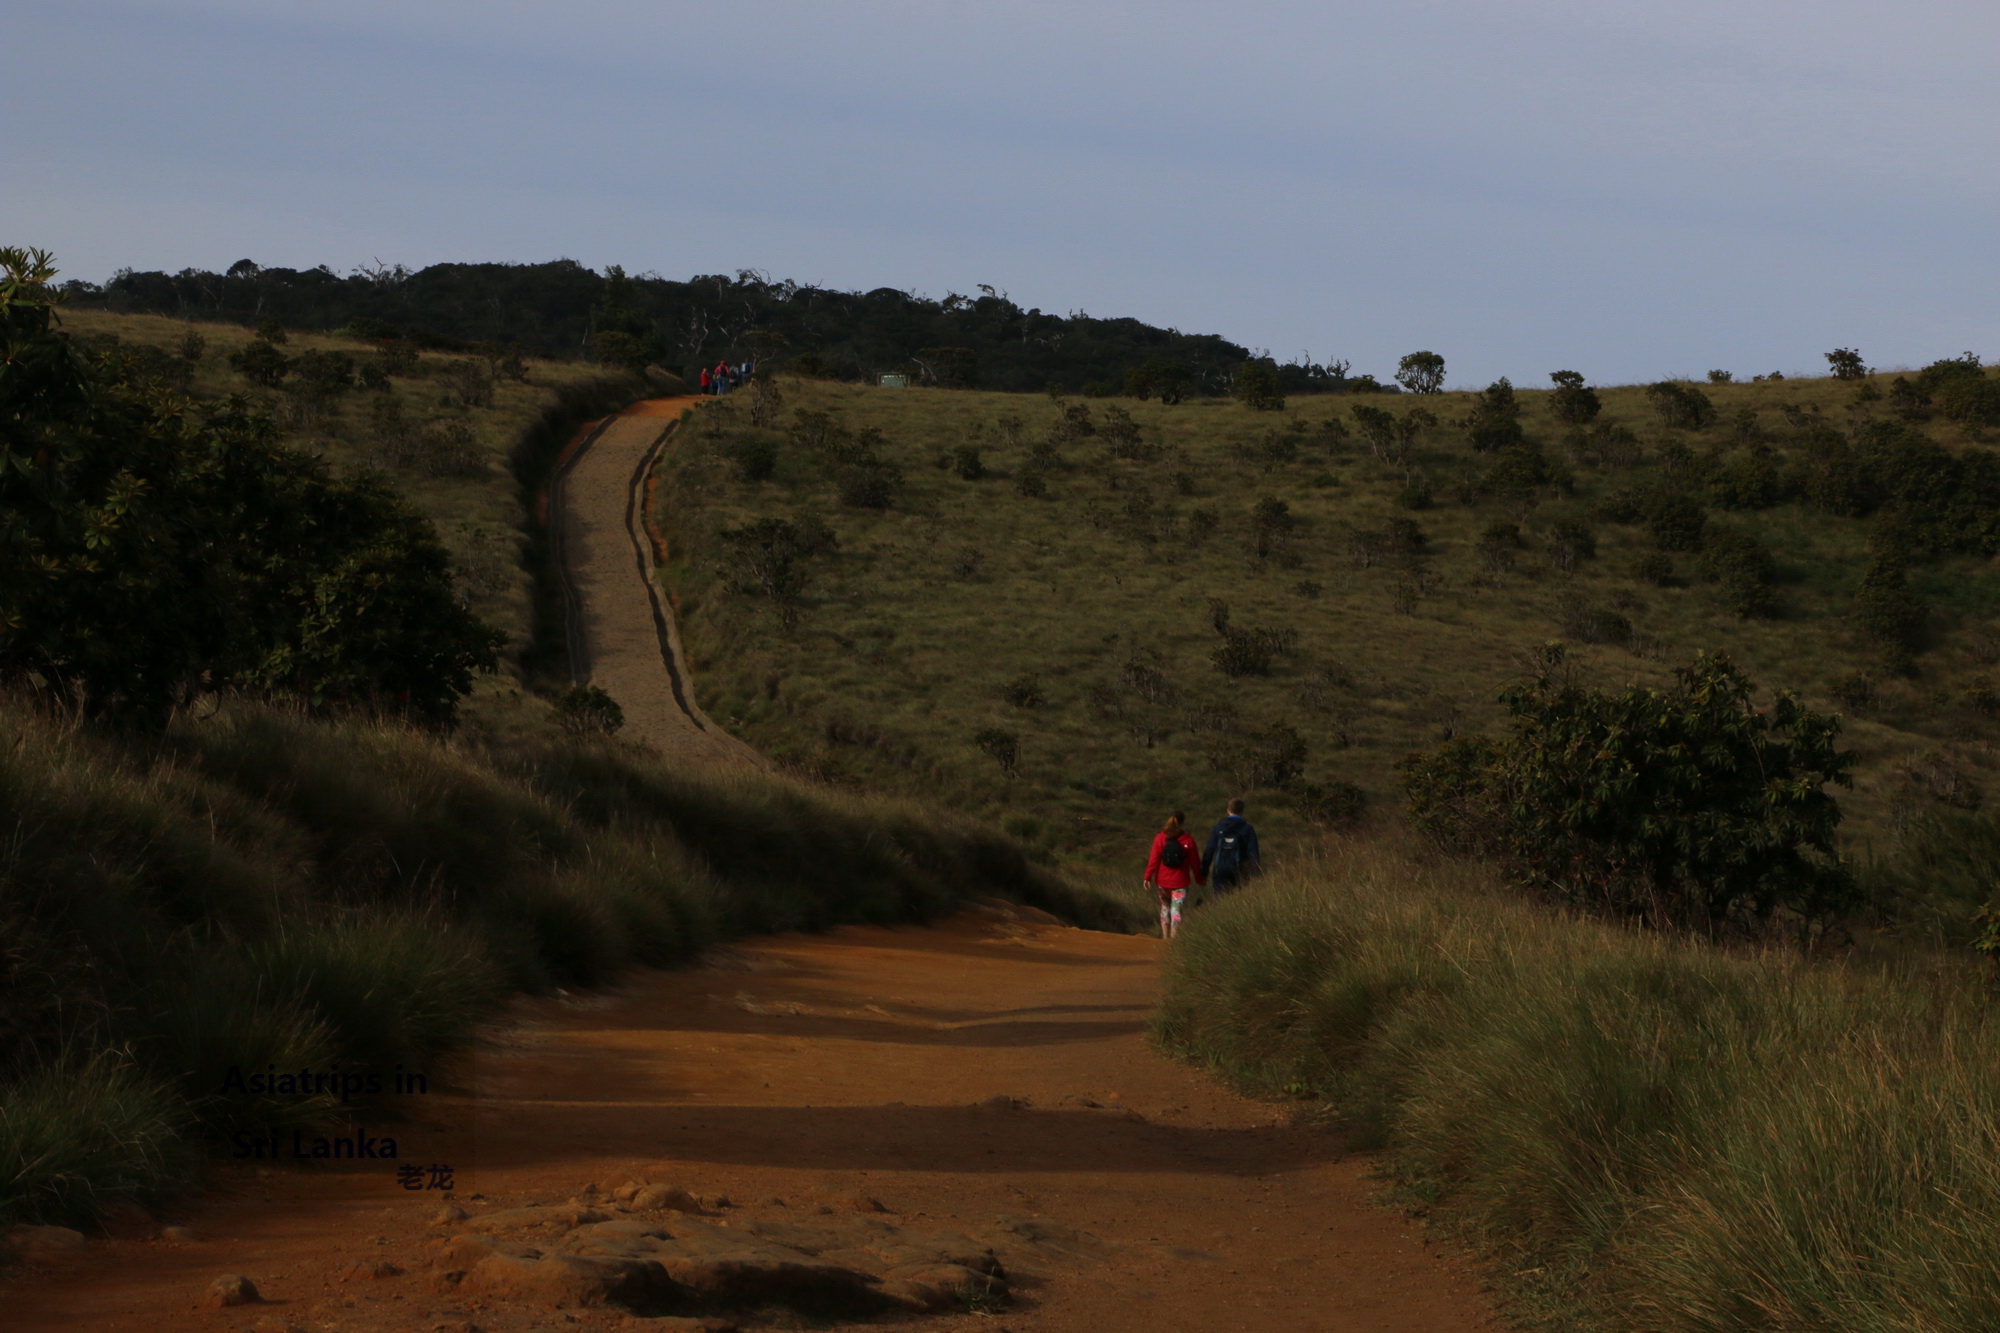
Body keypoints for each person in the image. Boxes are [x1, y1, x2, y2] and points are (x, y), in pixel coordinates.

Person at [1144, 811, 1205, 940]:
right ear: (1183, 822)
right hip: (1180, 882)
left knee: (1165, 908)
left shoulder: (1160, 838)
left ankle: (1165, 938)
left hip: (1163, 882)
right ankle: (1173, 940)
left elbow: (1153, 860)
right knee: (1176, 911)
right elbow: (1195, 863)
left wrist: (1147, 877)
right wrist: (1199, 879)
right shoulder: (1188, 840)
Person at [1203, 798, 1262, 896]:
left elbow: (1209, 851)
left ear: (1228, 811)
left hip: (1221, 868)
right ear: (1242, 812)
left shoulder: (1218, 828)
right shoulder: (1247, 829)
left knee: (1219, 899)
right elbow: (1253, 851)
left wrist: (1204, 872)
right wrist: (1255, 871)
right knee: (1239, 897)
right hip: (1241, 869)